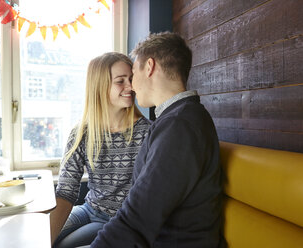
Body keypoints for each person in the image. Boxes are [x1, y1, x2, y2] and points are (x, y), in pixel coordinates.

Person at [91, 32, 224, 247]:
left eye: (133, 75)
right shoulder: (177, 119)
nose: (132, 86)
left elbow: (138, 218)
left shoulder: (180, 125)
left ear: (150, 66)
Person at [50, 52, 151, 248]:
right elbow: (66, 192)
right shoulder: (82, 132)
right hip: (88, 210)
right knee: (38, 238)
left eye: (131, 79)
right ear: (100, 86)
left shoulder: (147, 132)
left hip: (119, 220)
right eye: (121, 81)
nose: (131, 86)